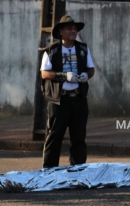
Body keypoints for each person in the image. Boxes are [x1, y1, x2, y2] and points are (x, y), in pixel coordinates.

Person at [40, 15, 95, 168]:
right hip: (59, 100)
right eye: (69, 28)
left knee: (78, 137)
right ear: (61, 32)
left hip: (78, 99)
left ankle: (78, 171)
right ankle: (49, 172)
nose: (73, 31)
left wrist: (86, 75)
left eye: (75, 28)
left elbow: (91, 69)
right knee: (54, 137)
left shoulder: (83, 49)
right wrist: (63, 76)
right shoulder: (52, 50)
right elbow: (44, 73)